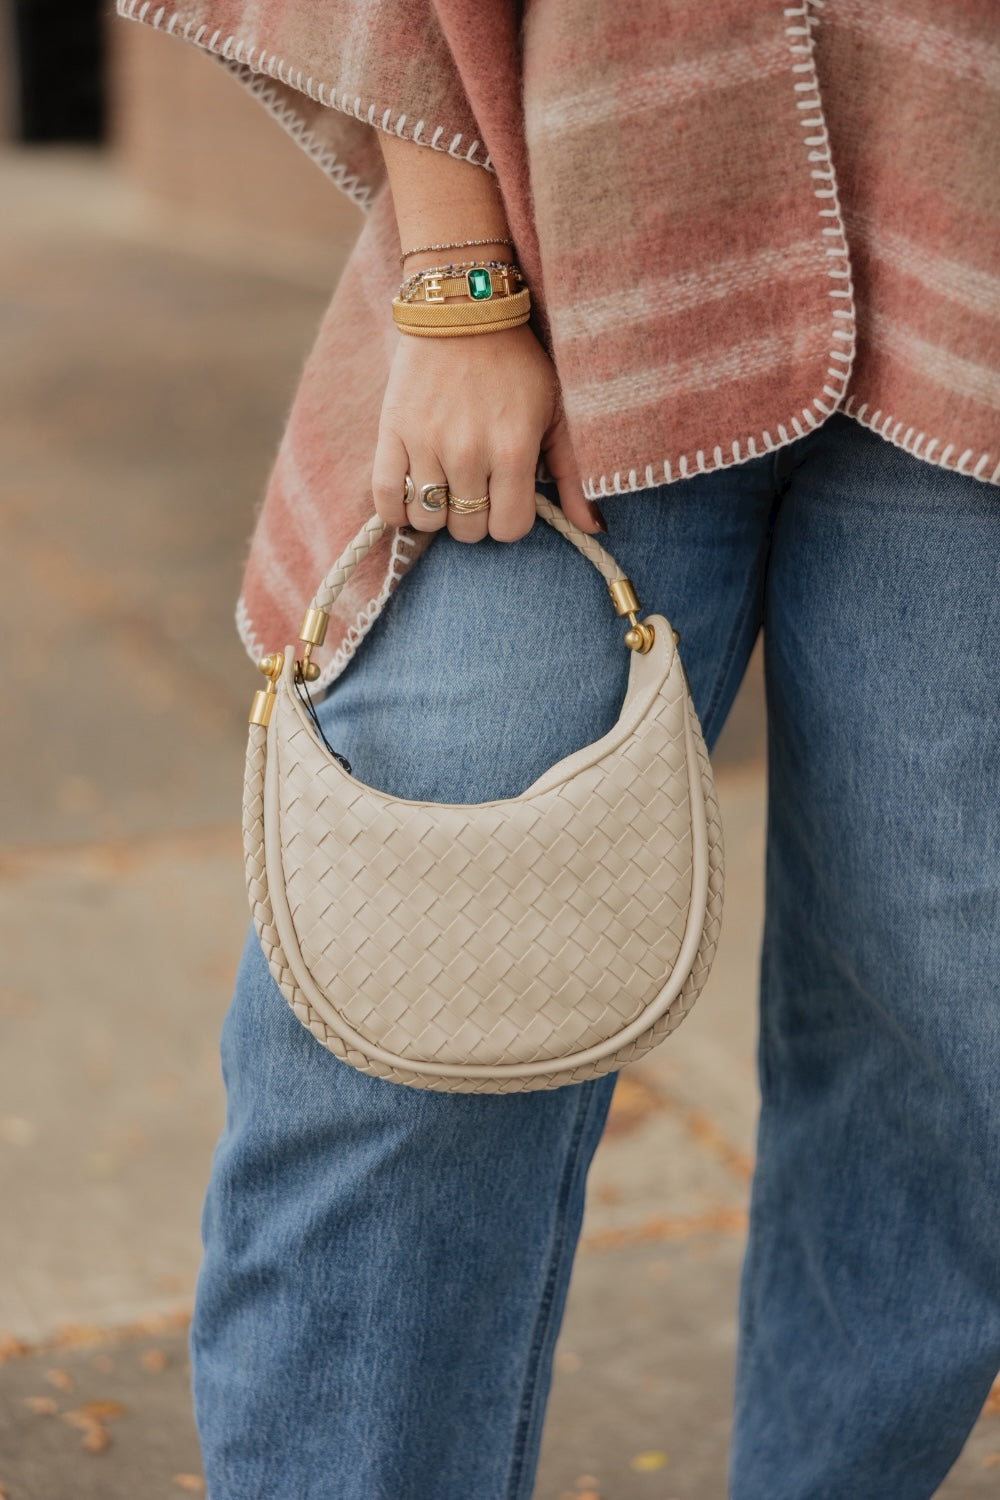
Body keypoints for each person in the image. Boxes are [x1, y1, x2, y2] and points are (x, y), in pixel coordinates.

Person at [117, 0, 1000, 1494]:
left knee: (956, 1045)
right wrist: (452, 271)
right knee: (400, 1035)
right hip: (571, 232)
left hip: (971, 229)